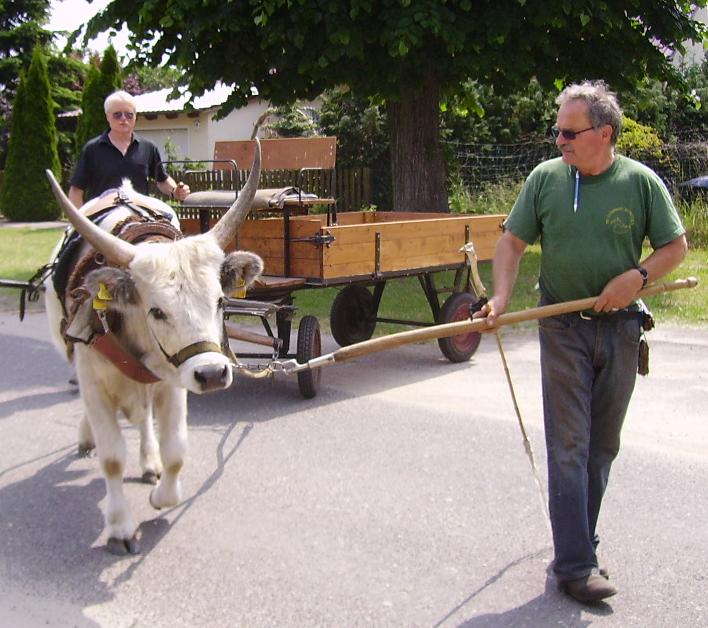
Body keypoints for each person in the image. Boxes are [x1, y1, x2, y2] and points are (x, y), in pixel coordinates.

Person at [480, 80, 687, 603]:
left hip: (621, 330)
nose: (560, 141)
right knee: (569, 445)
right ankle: (576, 564)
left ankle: (579, 546)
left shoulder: (640, 183)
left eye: (569, 133)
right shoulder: (545, 180)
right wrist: (501, 299)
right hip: (562, 329)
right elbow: (511, 242)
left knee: (601, 449)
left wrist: (635, 279)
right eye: (557, 132)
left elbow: (675, 247)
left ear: (605, 133)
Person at [69, 90, 190, 207]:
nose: (124, 119)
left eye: (129, 115)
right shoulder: (92, 149)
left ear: (135, 117)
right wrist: (80, 222)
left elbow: (162, 180)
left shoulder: (148, 148)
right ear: (107, 117)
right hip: (102, 217)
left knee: (169, 222)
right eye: (117, 115)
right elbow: (76, 191)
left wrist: (175, 191)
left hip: (139, 215)